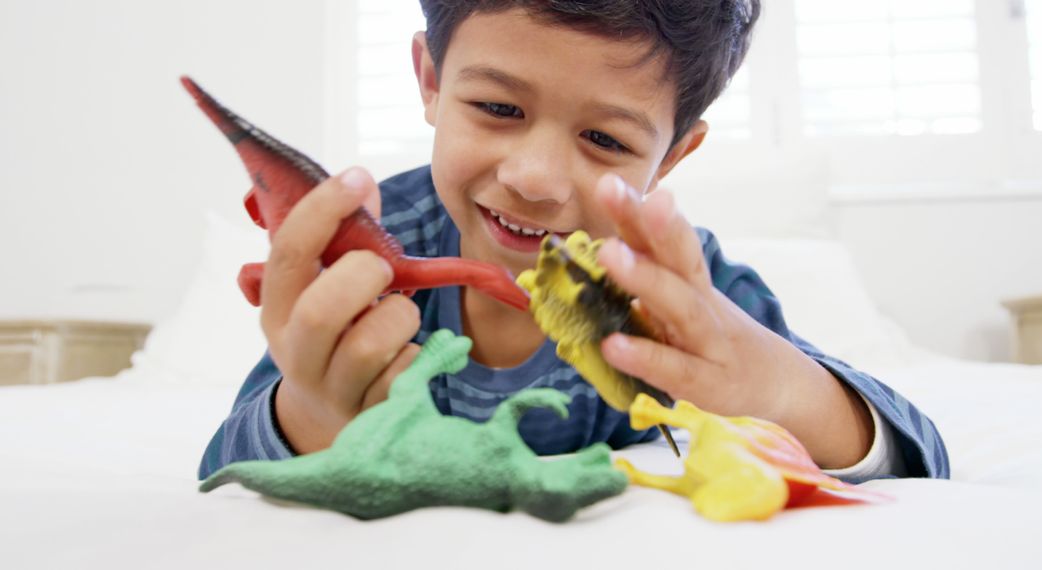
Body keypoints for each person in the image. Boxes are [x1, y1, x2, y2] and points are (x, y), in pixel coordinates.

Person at [199, 0, 948, 481]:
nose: (535, 177)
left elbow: (922, 463)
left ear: (674, 156)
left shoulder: (677, 292)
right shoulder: (368, 254)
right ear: (430, 78)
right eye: (497, 106)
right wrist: (312, 417)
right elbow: (218, 471)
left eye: (603, 138)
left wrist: (783, 390)